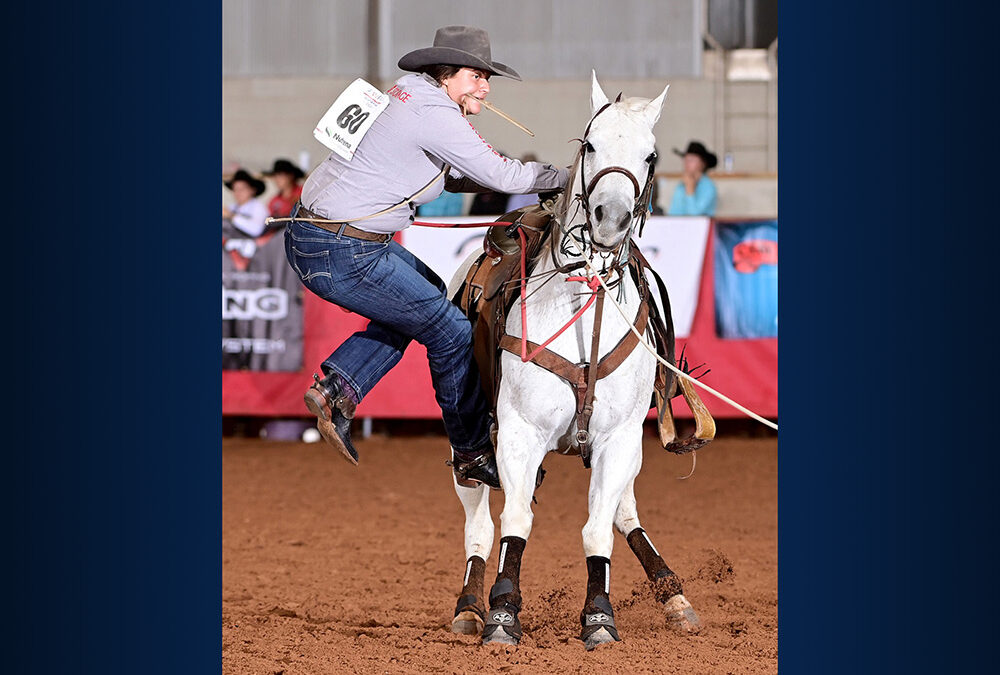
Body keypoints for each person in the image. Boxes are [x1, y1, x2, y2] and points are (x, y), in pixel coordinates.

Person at [285, 25, 569, 488]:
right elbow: (504, 175)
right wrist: (570, 175)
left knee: (432, 300)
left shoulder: (405, 93)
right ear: (447, 74)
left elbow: (455, 174)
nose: (485, 86)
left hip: (319, 236)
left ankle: (338, 388)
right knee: (451, 330)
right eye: (477, 75)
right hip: (344, 248)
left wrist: (492, 174)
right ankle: (473, 453)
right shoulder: (436, 114)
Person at [667, 141, 718, 216]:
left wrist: (690, 190)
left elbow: (694, 215)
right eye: (686, 160)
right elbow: (673, 212)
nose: (687, 164)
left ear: (703, 164)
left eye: (692, 160)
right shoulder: (681, 185)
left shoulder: (709, 187)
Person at [223, 169, 269, 236]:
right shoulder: (232, 207)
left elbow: (257, 230)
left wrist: (231, 216)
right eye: (235, 189)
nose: (238, 193)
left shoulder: (259, 207)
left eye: (242, 189)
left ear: (252, 190)